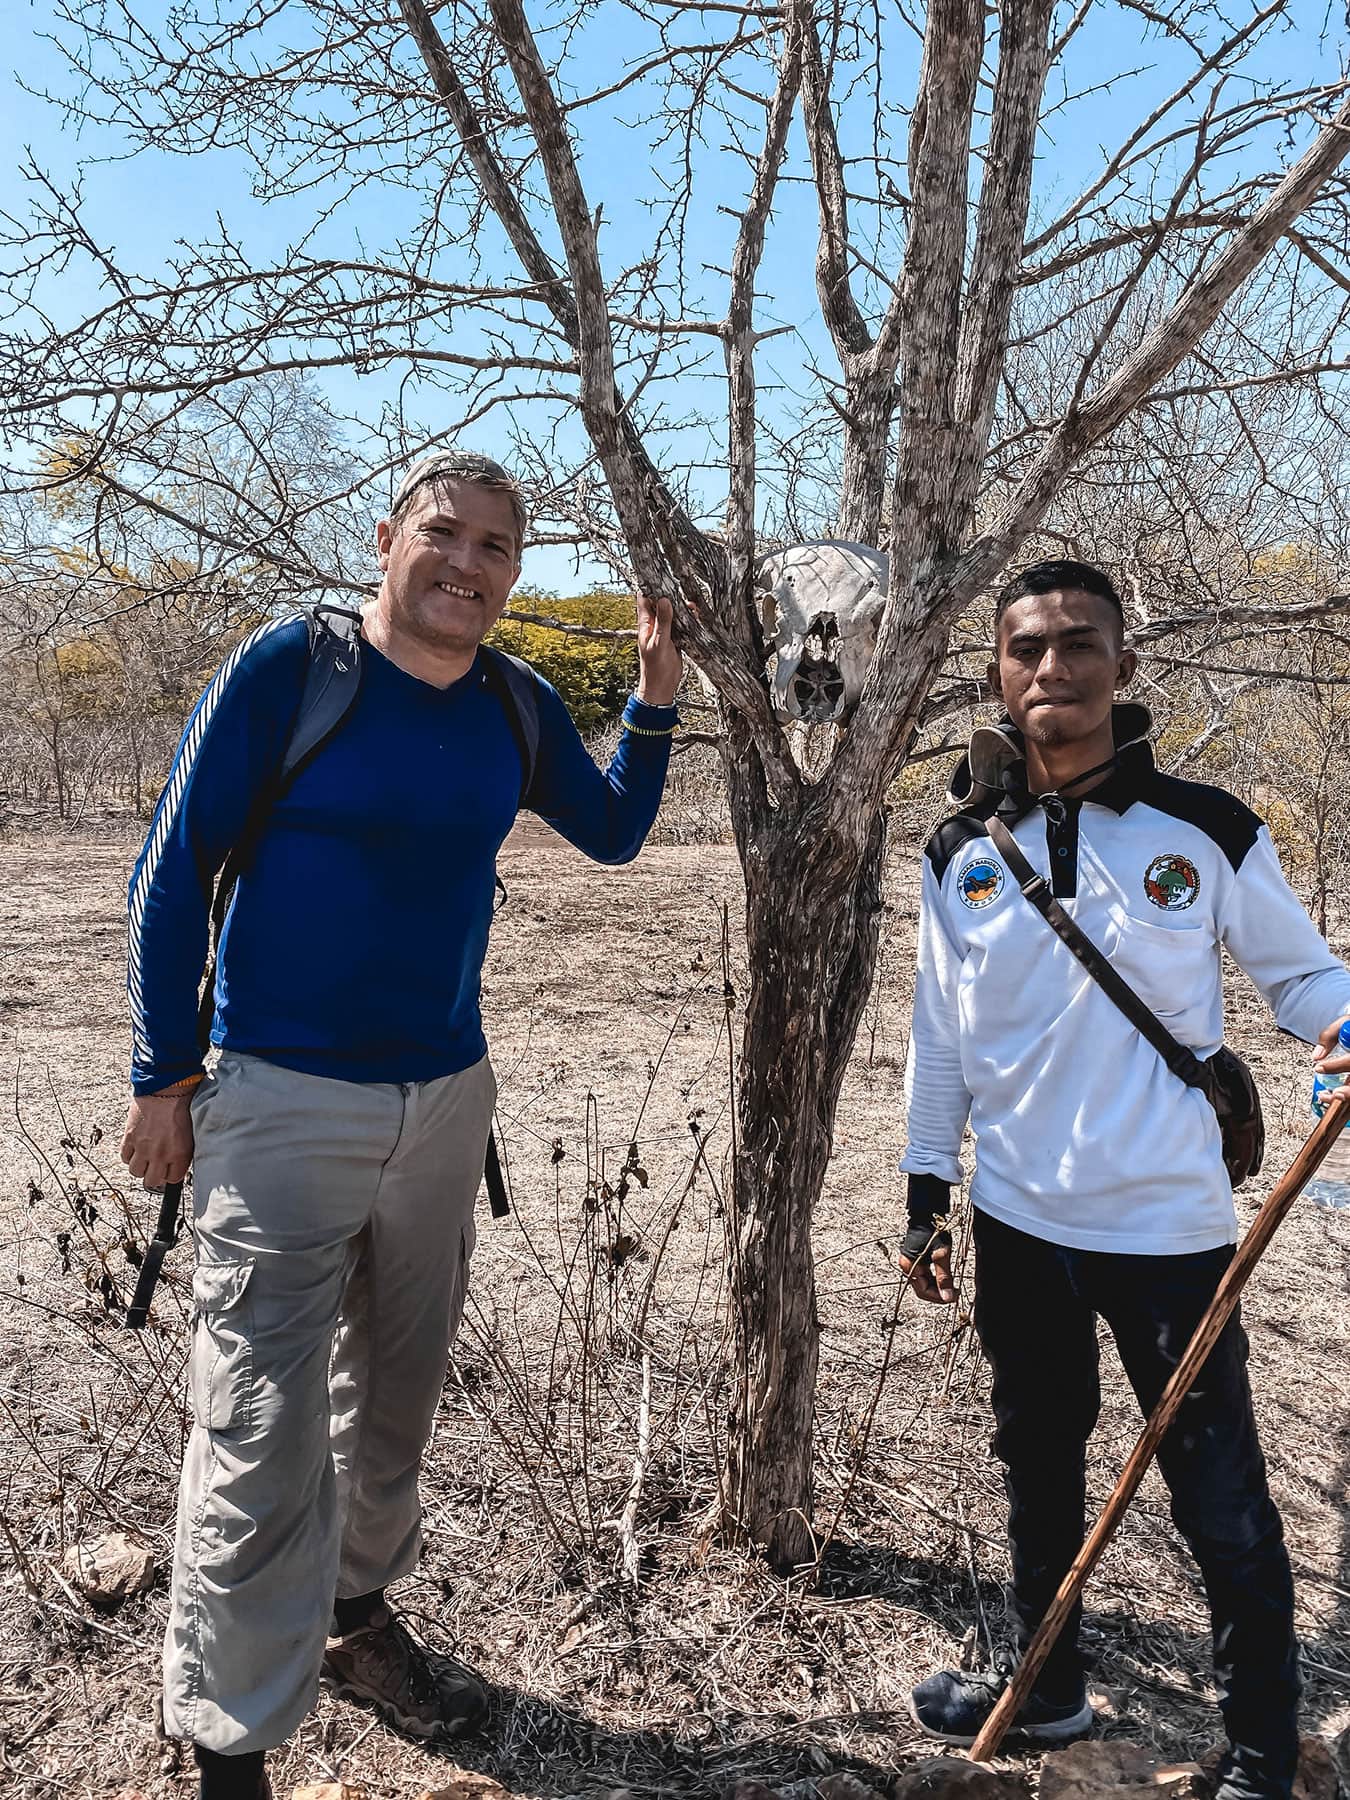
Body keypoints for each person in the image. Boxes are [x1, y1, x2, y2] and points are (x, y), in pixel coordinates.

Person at [119, 451, 682, 1800]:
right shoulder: (289, 671)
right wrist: (162, 1076)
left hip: (444, 1106)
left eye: (496, 547)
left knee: (395, 1405)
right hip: (277, 1102)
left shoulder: (510, 702)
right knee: (258, 1422)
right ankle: (229, 1738)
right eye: (444, 533)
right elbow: (172, 868)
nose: (466, 565)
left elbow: (609, 833)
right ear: (387, 538)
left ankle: (358, 1619)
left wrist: (654, 703)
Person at [897, 559, 1350, 1800]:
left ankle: (1262, 1749)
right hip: (1018, 1220)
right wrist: (926, 1193)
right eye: (1028, 647)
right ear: (998, 669)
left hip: (1169, 1230)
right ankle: (1046, 1692)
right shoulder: (955, 853)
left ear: (1124, 667)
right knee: (1036, 1462)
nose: (1054, 668)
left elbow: (1304, 978)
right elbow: (942, 1037)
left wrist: (1344, 1023)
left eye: (1079, 644)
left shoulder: (1204, 830)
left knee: (1222, 1498)